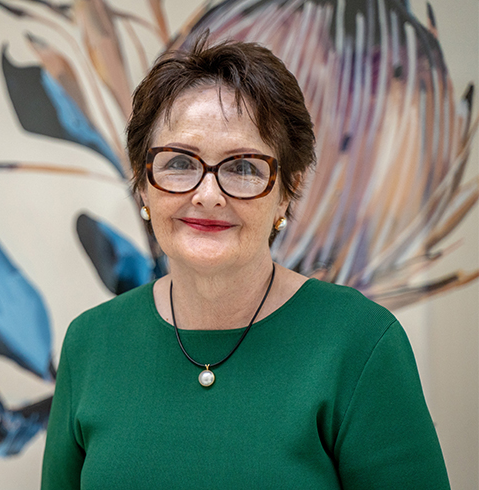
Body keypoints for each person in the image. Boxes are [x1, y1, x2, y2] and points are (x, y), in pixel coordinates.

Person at [41, 36, 450, 489]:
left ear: (287, 191)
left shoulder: (360, 343)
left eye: (242, 167)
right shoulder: (90, 342)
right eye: (179, 162)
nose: (208, 195)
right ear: (142, 183)